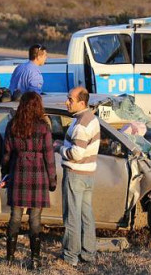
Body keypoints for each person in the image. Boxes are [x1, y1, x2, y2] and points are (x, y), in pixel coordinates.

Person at [2, 92, 56, 269]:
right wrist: (52, 180)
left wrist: (5, 174)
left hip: (18, 172)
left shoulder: (13, 125)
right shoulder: (43, 127)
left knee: (15, 217)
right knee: (35, 219)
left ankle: (9, 258)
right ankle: (35, 258)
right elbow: (49, 156)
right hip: (38, 174)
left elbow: (7, 154)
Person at [59, 86, 99, 266]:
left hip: (75, 174)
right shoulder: (91, 119)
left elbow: (76, 153)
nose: (67, 102)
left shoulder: (81, 125)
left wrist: (58, 148)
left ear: (81, 103)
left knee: (72, 216)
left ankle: (70, 256)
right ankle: (88, 253)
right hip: (88, 174)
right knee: (86, 215)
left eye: (70, 100)